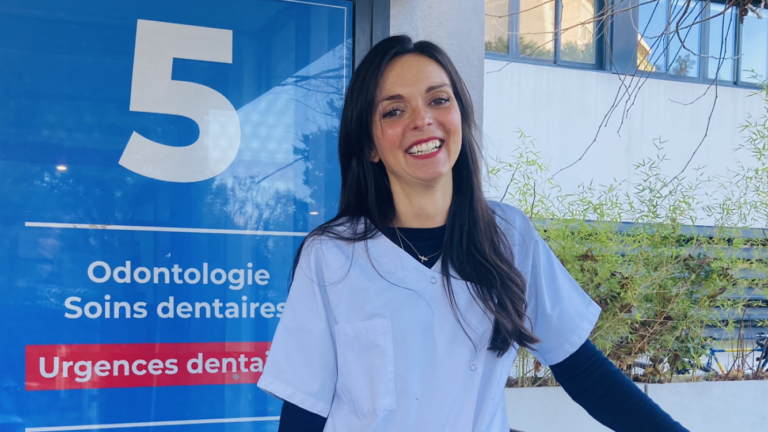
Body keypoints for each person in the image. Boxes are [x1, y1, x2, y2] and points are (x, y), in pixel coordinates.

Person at [257, 35, 689, 432]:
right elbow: (305, 410)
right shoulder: (331, 256)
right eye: (394, 110)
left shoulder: (508, 236)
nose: (422, 120)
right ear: (370, 144)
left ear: (460, 115)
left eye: (438, 100)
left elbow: (584, 372)